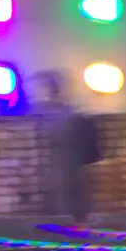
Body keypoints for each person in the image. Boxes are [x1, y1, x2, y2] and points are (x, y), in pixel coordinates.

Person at [33, 69, 100, 222]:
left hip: (65, 169)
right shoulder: (72, 114)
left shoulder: (62, 116)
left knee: (66, 204)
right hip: (69, 170)